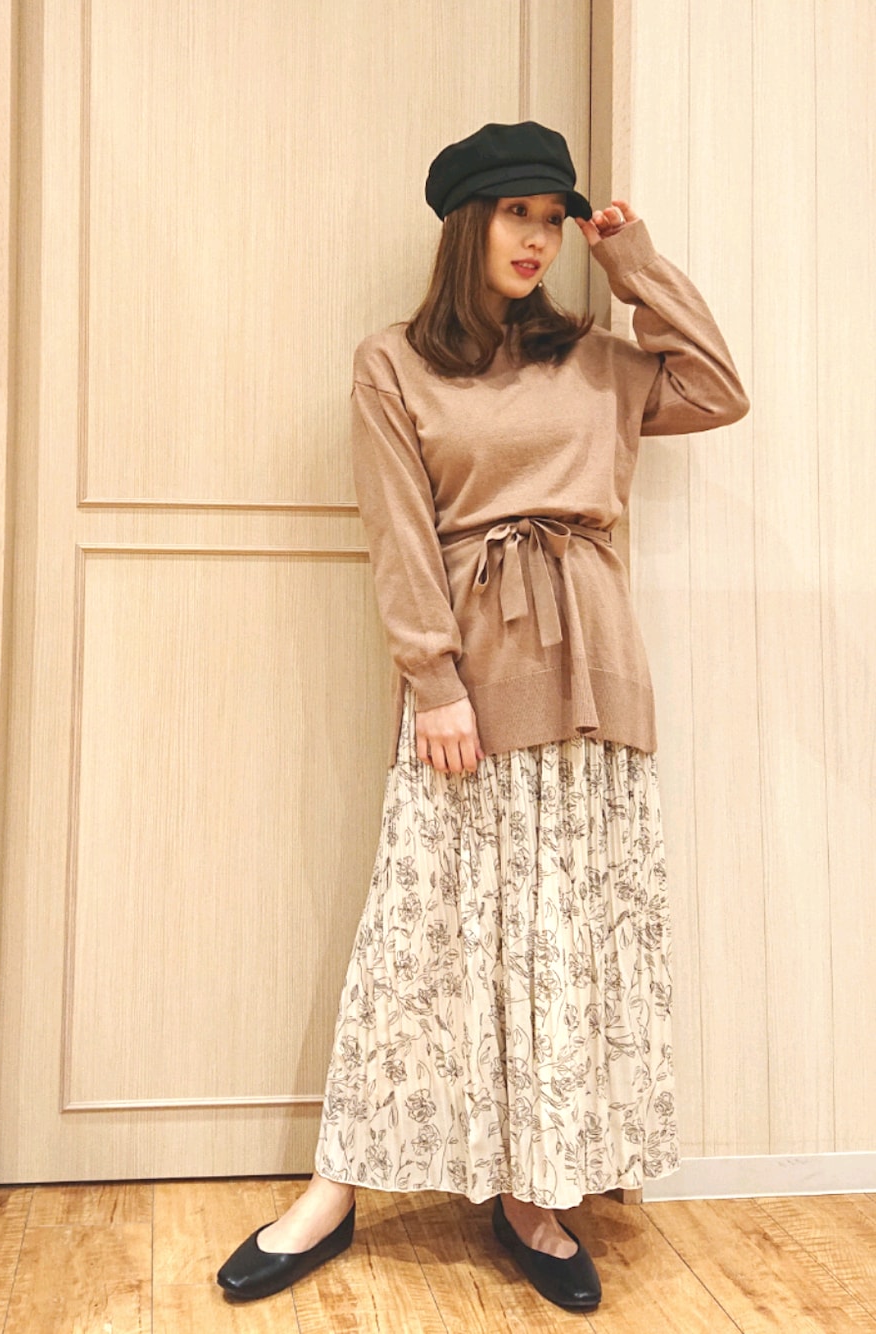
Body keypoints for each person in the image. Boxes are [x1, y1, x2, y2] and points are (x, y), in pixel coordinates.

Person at [217, 121, 749, 1314]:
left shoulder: (597, 359)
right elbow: (398, 533)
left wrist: (634, 264)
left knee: (562, 943)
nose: (538, 239)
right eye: (518, 214)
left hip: (594, 680)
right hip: (472, 678)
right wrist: (434, 681)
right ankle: (334, 1189)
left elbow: (717, 387)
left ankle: (532, 1192)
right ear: (468, 223)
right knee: (420, 941)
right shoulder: (394, 363)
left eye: (554, 219)